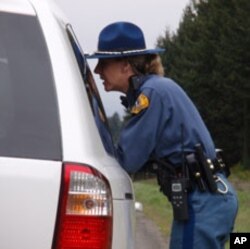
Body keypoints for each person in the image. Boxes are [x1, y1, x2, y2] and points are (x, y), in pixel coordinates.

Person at [86, 21, 238, 249]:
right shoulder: (158, 88)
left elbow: (126, 160)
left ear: (126, 65)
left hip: (203, 202)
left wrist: (93, 112)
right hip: (211, 198)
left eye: (104, 63)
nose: (97, 71)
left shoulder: (152, 94)